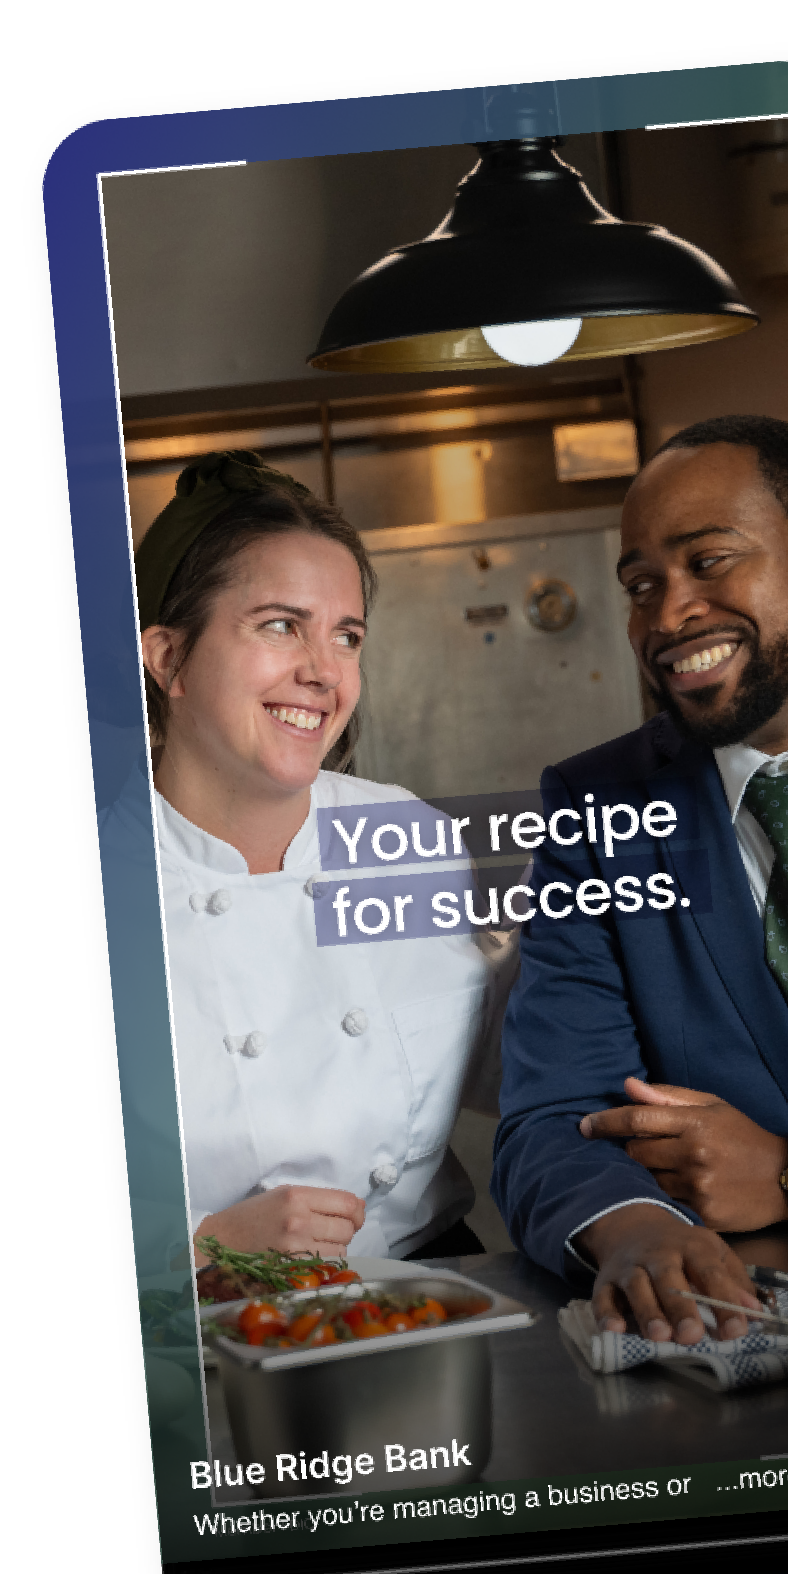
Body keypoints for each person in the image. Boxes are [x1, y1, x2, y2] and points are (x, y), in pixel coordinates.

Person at [491, 415, 788, 1344]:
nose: (667, 617)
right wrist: (635, 1230)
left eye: (710, 561)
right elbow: (553, 1115)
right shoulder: (596, 805)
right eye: (640, 586)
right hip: (751, 1344)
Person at [138, 452, 498, 1267]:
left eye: (346, 636)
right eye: (278, 625)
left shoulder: (405, 839)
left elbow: (509, 1050)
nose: (321, 672)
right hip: (194, 1322)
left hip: (429, 1287)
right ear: (166, 658)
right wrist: (194, 1249)